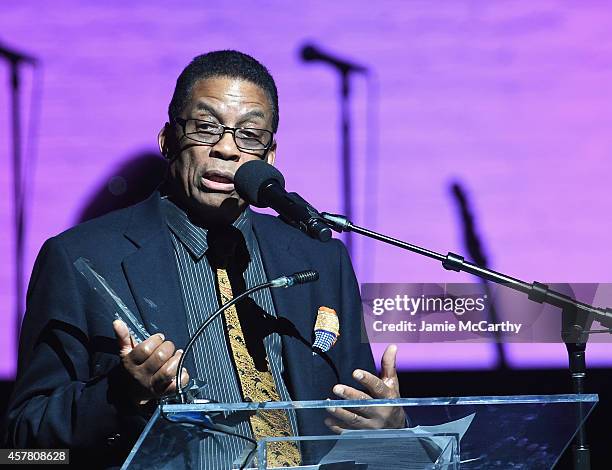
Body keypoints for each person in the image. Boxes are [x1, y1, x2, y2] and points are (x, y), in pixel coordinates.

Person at [5, 50, 404, 468]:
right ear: (167, 139)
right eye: (206, 127)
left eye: (250, 134)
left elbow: (362, 417)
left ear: (269, 157)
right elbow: (23, 443)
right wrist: (120, 393)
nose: (227, 149)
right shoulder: (80, 258)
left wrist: (392, 427)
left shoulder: (320, 258)